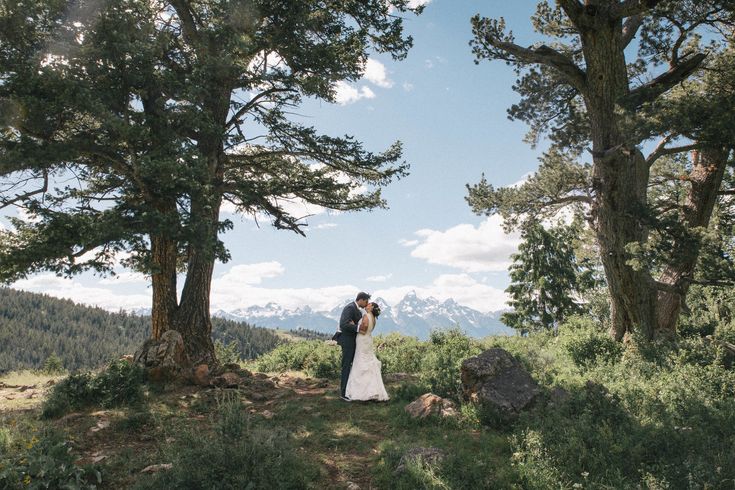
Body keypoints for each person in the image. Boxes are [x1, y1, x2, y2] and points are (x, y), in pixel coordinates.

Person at [345, 301, 389, 402]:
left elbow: (363, 330)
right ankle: (373, 390)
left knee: (361, 361)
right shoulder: (373, 318)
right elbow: (368, 329)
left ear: (372, 307)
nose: (366, 305)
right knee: (368, 362)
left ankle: (362, 392)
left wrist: (354, 326)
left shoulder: (366, 316)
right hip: (368, 340)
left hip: (362, 340)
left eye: (369, 305)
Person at [334, 292, 370, 401]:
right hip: (348, 341)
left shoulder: (357, 309)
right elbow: (343, 324)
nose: (367, 303)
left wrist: (354, 324)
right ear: (361, 299)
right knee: (346, 366)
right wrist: (358, 327)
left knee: (353, 366)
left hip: (354, 342)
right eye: (366, 301)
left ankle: (351, 390)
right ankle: (343, 393)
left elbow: (352, 323)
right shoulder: (349, 307)